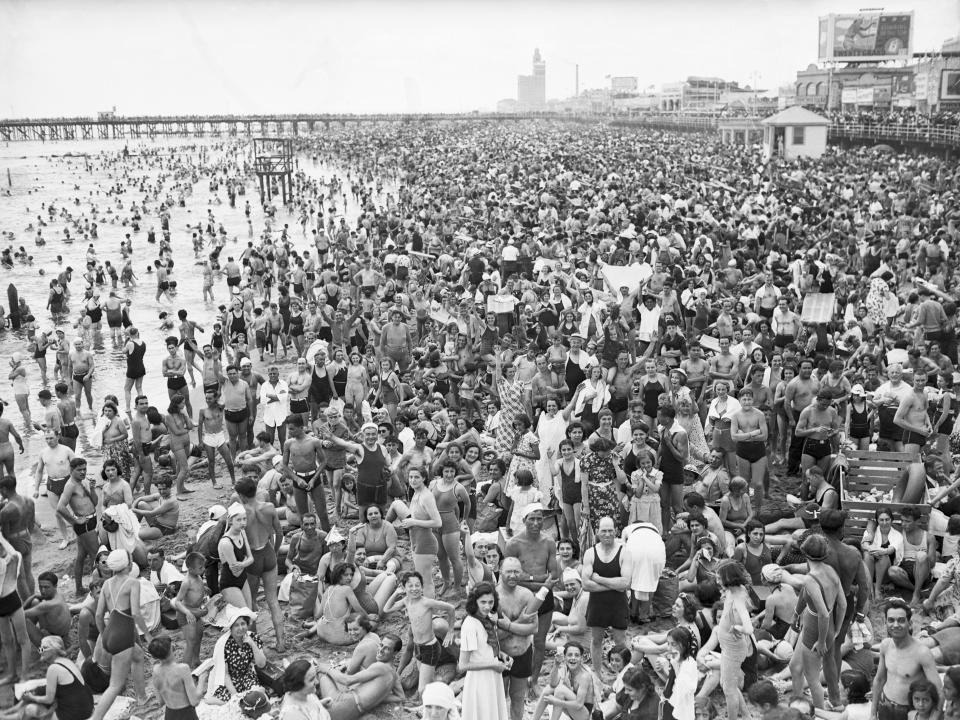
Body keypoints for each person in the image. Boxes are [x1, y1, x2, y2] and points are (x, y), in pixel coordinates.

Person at [92, 550, 151, 720]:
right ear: (128, 564)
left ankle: (142, 697)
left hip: (110, 632)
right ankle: (96, 718)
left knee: (138, 656)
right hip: (122, 635)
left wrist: (104, 635)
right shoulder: (132, 582)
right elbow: (136, 614)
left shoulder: (106, 583)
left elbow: (98, 615)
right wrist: (147, 636)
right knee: (115, 686)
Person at [872, 599, 943, 720]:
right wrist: (873, 713)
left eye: (901, 620)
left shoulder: (922, 653)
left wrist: (933, 717)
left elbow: (939, 691)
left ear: (909, 623)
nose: (895, 625)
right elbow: (879, 680)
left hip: (910, 713)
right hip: (885, 706)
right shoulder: (885, 645)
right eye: (891, 620)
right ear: (885, 622)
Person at [313, 632, 406, 720]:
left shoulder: (380, 666)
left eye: (387, 648)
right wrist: (377, 698)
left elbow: (347, 681)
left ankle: (312, 698)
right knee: (336, 677)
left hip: (340, 706)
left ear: (395, 653)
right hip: (354, 712)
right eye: (381, 645)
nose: (380, 650)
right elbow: (401, 697)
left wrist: (326, 668)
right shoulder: (394, 673)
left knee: (322, 671)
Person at [581, 516, 631, 668]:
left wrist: (599, 578)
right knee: (596, 640)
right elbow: (586, 585)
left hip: (618, 604)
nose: (607, 534)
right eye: (604, 531)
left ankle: (624, 673)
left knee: (621, 642)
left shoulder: (624, 552)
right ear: (597, 532)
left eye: (610, 530)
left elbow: (625, 583)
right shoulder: (590, 553)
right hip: (597, 604)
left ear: (616, 531)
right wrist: (614, 585)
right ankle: (597, 673)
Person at [13, 635, 94, 720]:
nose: (40, 651)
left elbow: (49, 699)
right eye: (40, 649)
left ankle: (8, 715)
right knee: (36, 694)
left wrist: (31, 697)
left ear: (54, 650)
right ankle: (10, 713)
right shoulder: (67, 662)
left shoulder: (53, 668)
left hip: (74, 714)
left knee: (30, 709)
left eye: (44, 648)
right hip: (86, 708)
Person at [205, 605, 266, 704]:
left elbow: (262, 664)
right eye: (236, 625)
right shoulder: (224, 644)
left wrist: (252, 644)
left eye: (243, 624)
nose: (241, 628)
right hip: (230, 681)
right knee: (224, 701)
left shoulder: (253, 637)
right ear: (231, 627)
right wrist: (235, 695)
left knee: (259, 693)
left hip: (247, 677)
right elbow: (225, 675)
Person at [149, 635, 203, 720]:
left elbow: (161, 702)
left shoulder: (155, 670)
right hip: (186, 714)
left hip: (170, 714)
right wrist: (202, 681)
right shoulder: (182, 669)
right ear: (171, 649)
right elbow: (195, 701)